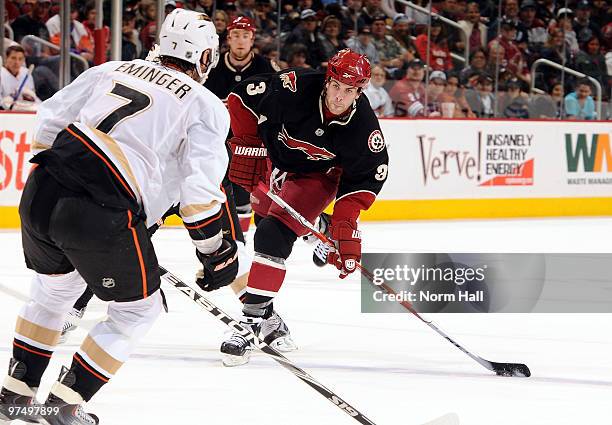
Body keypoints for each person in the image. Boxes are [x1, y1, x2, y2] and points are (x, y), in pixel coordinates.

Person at [0, 9, 236, 425]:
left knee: (52, 294)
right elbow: (199, 196)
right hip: (99, 212)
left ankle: (14, 395)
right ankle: (63, 404)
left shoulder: (111, 68)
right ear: (204, 58)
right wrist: (216, 251)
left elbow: (48, 121)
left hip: (42, 191)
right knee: (137, 311)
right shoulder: (204, 103)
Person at [220, 49, 389, 366]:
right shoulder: (295, 86)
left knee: (271, 235)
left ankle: (252, 320)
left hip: (316, 178)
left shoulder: (364, 129)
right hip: (273, 161)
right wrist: (247, 146)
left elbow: (363, 181)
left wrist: (346, 228)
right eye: (337, 86)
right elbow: (241, 96)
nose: (340, 97)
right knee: (260, 213)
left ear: (360, 91)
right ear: (328, 80)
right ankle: (317, 228)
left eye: (350, 90)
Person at [205, 16, 277, 232]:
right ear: (228, 38)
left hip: (252, 143)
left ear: (252, 39)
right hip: (216, 141)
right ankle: (226, 244)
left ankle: (241, 246)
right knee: (218, 193)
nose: (240, 41)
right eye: (236, 35)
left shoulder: (266, 68)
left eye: (245, 36)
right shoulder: (213, 65)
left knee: (246, 195)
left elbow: (278, 104)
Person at [0, 45, 40, 111]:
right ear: (6, 58)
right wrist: (10, 98)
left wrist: (30, 98)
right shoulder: (1, 73)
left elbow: (33, 97)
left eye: (20, 59)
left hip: (24, 110)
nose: (16, 62)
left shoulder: (26, 72)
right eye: (13, 58)